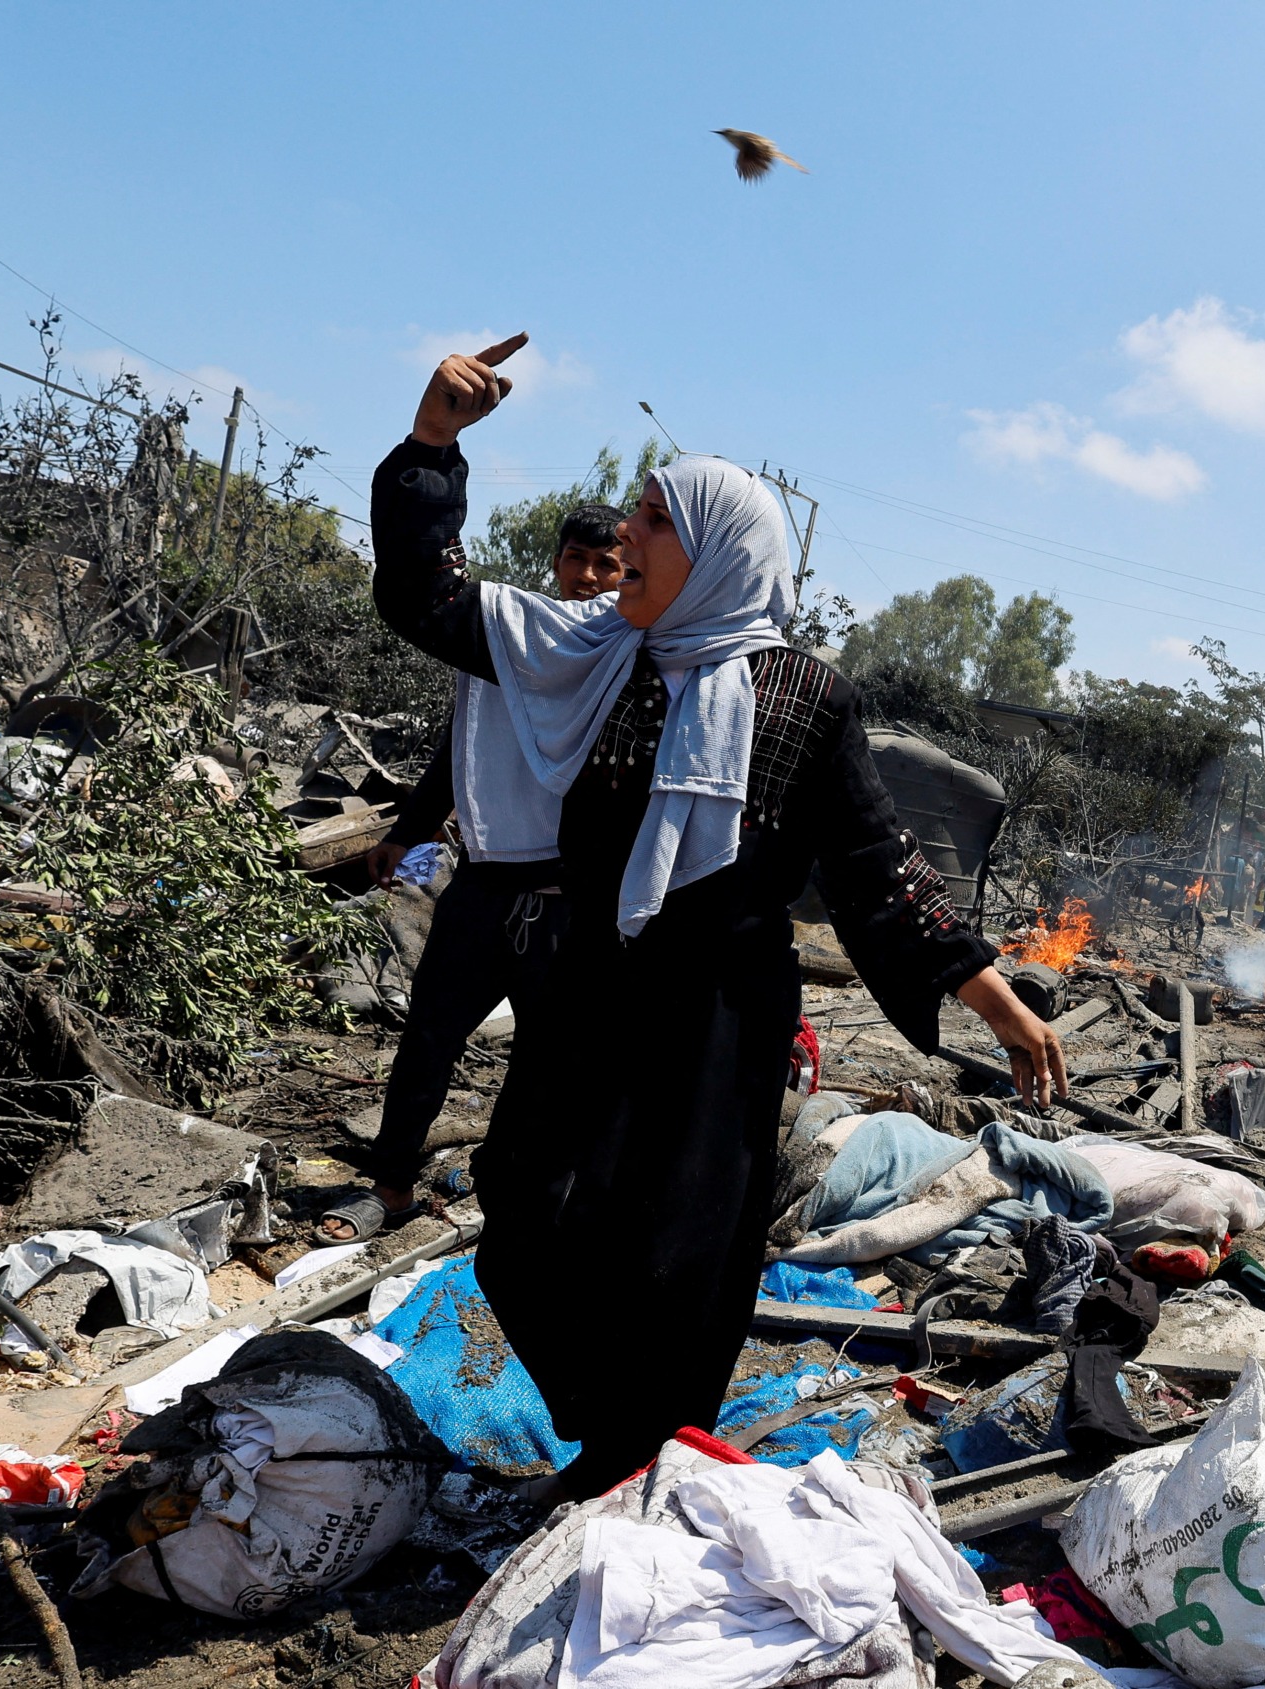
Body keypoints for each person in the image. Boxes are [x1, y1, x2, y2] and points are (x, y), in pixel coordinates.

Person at [370, 334, 1066, 1497]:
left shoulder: (805, 695)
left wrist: (991, 998)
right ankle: (606, 1424)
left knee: (683, 1252)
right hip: (592, 986)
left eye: (652, 522)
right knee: (524, 1213)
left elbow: (875, 864)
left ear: (717, 554)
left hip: (719, 1018)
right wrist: (433, 442)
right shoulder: (595, 655)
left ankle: (637, 1462)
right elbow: (426, 598)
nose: (621, 544)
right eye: (634, 519)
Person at [321, 505, 628, 1243]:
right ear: (556, 561)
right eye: (575, 560)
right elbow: (462, 747)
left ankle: (526, 1208)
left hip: (564, 899)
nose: (586, 578)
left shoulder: (620, 652)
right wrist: (407, 834)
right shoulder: (511, 639)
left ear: (627, 573)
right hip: (486, 885)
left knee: (552, 1065)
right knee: (428, 1036)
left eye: (606, 565)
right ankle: (391, 1185)